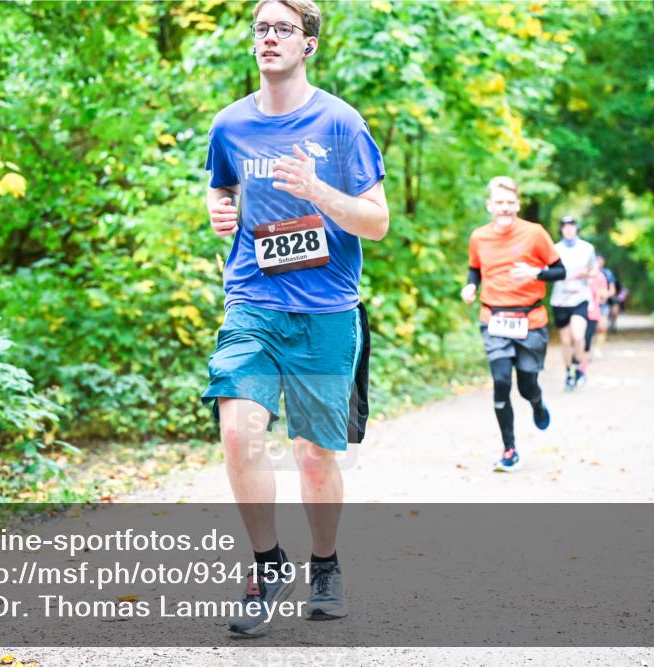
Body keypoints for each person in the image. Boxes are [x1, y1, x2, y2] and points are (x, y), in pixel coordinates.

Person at [202, 0, 388, 635]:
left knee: (313, 455)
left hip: (327, 311)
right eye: (261, 29)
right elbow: (220, 186)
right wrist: (219, 212)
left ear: (308, 44)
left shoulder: (340, 123)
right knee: (238, 431)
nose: (269, 38)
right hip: (253, 303)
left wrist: (317, 191)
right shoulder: (229, 126)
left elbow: (377, 222)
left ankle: (327, 563)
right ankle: (265, 562)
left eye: (283, 28)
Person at [462, 177, 565, 472]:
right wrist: (471, 287)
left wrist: (535, 273)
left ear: (517, 205)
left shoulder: (535, 234)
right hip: (494, 318)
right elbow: (474, 269)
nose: (505, 208)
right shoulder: (479, 236)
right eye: (499, 203)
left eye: (510, 203)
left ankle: (536, 401)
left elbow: (560, 270)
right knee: (502, 381)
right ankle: (509, 449)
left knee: (526, 383)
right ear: (490, 205)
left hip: (531, 319)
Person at [550, 216, 597, 391]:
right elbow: (547, 272)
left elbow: (595, 270)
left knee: (578, 336)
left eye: (571, 226)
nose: (568, 229)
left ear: (577, 228)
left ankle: (579, 368)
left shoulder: (587, 248)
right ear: (561, 229)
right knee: (565, 341)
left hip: (580, 298)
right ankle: (568, 372)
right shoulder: (555, 249)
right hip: (560, 300)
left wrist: (585, 273)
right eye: (565, 226)